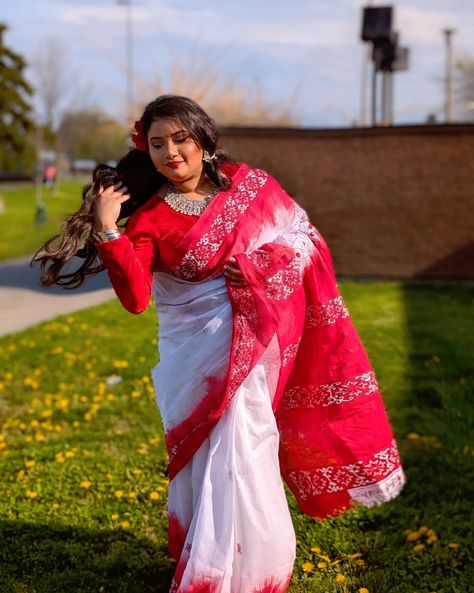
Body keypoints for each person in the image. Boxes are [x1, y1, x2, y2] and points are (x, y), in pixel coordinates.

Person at [31, 95, 405, 593]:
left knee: (247, 450)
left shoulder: (253, 185)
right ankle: (207, 561)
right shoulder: (150, 220)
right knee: (210, 457)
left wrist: (261, 264)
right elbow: (138, 299)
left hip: (254, 350)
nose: (171, 153)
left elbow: (304, 237)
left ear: (203, 140)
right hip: (199, 358)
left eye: (180, 139)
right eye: (158, 143)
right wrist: (105, 228)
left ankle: (255, 570)